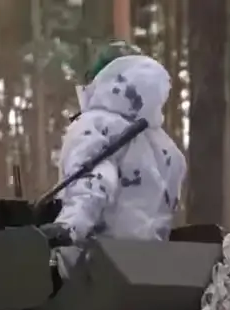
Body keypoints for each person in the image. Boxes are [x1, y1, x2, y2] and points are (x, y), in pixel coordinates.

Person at [46, 41, 187, 249]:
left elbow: (94, 182)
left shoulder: (95, 125)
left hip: (99, 262)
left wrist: (67, 228)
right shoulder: (168, 149)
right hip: (153, 264)